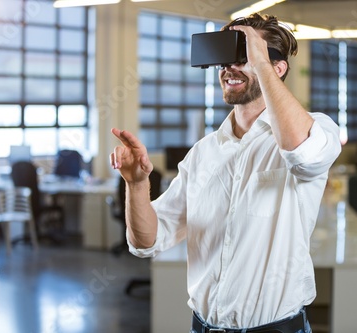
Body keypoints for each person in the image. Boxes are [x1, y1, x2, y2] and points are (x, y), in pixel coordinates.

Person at [110, 13, 341, 333]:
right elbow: (147, 241)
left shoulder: (316, 129)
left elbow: (303, 155)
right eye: (224, 60)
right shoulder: (203, 153)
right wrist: (137, 185)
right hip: (202, 326)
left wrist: (258, 58)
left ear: (277, 68)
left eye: (242, 57)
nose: (228, 68)